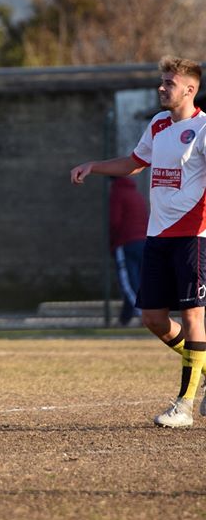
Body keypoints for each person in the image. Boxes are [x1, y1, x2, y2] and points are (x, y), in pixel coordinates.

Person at [71, 55, 206, 427]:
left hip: (193, 238)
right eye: (162, 81)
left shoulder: (204, 129)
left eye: (169, 83)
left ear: (190, 90)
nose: (162, 88)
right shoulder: (159, 124)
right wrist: (94, 166)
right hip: (156, 237)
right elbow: (134, 162)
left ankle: (185, 406)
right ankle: (203, 365)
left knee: (193, 316)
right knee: (152, 319)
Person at [110, 176, 148, 326]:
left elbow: (114, 221)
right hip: (143, 241)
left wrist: (113, 242)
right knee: (136, 280)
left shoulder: (117, 193)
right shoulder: (136, 194)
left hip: (126, 242)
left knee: (127, 282)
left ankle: (144, 314)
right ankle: (124, 319)